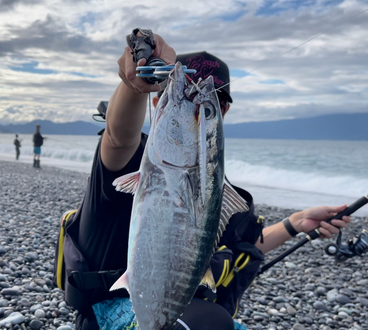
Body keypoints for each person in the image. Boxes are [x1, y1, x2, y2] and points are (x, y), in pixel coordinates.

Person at [62, 32, 352, 330]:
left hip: (185, 310)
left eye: (210, 103)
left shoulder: (215, 184)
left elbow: (237, 247)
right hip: (114, 312)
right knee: (212, 322)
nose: (194, 106)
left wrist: (296, 222)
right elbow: (118, 136)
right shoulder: (130, 160)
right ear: (159, 100)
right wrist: (136, 87)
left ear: (222, 110)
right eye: (181, 93)